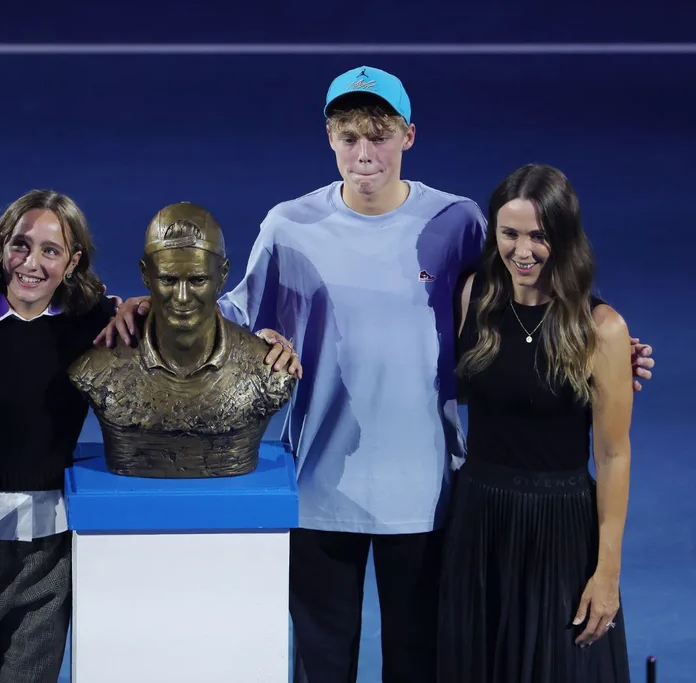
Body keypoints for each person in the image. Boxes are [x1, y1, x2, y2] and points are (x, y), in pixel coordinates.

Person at [96, 66, 656, 682]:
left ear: (408, 136)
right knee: (322, 669)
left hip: (428, 500)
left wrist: (599, 353)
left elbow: (521, 302)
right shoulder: (288, 226)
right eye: (349, 137)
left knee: (417, 668)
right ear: (329, 138)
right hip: (318, 495)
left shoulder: (459, 222)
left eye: (380, 135)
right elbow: (226, 314)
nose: (365, 154)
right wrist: (151, 310)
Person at [438, 164, 632, 682]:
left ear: (564, 238)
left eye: (539, 236)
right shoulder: (471, 298)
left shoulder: (603, 329)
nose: (522, 251)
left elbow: (614, 455)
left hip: (562, 533)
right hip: (478, 524)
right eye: (510, 234)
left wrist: (607, 572)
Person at [0, 190, 116, 683]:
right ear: (0, 247)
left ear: (72, 262)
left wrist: (268, 338)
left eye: (51, 251)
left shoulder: (93, 326)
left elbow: (177, 327)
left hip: (48, 547)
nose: (31, 263)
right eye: (20, 245)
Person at [69, 201, 299, 479]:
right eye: (167, 280)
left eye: (198, 280)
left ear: (223, 276)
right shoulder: (98, 368)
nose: (181, 297)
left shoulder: (267, 371)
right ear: (145, 275)